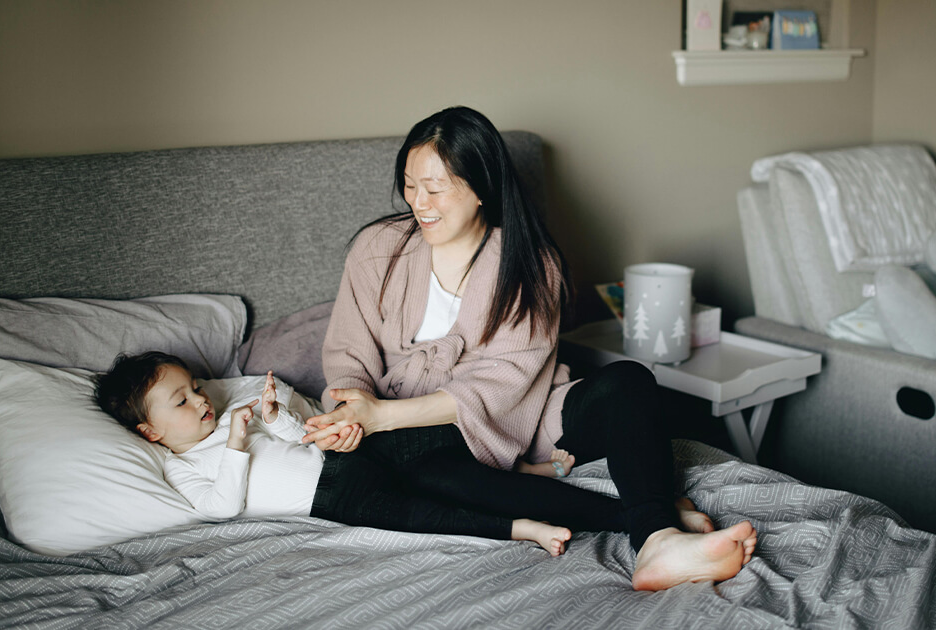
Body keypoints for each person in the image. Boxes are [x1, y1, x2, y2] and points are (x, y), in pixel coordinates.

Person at [305, 106, 757, 591]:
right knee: (422, 468)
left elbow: (500, 385)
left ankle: (657, 540)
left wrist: (382, 417)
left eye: (436, 188)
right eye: (410, 184)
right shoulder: (378, 249)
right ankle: (648, 521)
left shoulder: (530, 266)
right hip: (407, 433)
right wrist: (351, 412)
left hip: (520, 414)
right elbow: (348, 352)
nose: (420, 202)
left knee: (629, 382)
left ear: (481, 190)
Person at [93, 351, 579, 555]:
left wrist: (272, 413)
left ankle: (521, 464)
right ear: (150, 432)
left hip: (346, 459)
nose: (201, 400)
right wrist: (237, 444)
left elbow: (299, 435)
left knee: (431, 445)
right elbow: (220, 506)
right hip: (330, 501)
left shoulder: (228, 416)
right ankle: (525, 529)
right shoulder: (182, 469)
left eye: (197, 388)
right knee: (420, 513)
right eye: (182, 400)